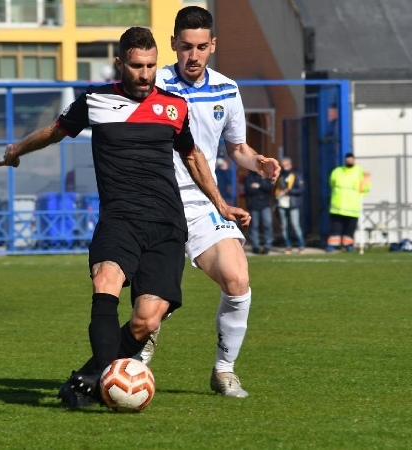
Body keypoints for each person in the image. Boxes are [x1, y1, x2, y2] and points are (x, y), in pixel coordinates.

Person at [0, 26, 250, 409]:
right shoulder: (95, 101)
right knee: (105, 282)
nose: (145, 74)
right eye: (135, 66)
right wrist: (17, 149)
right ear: (120, 64)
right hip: (120, 219)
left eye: (149, 66)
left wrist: (220, 204)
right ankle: (96, 386)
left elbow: (193, 157)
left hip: (166, 223)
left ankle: (87, 377)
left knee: (147, 321)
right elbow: (54, 132)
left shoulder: (173, 107)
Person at [147, 6, 280, 398]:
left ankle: (224, 370)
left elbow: (236, 148)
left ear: (213, 46)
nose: (194, 55)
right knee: (154, 303)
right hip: (159, 203)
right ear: (173, 44)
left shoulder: (227, 89)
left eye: (202, 47)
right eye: (186, 46)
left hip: (206, 202)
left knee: (238, 281)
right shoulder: (153, 85)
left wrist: (259, 163)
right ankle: (136, 356)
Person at [327, 153, 371, 252]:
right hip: (338, 205)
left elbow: (366, 188)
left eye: (351, 160)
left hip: (352, 206)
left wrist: (366, 180)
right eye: (347, 160)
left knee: (350, 228)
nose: (349, 162)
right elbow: (332, 183)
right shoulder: (337, 171)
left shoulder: (360, 172)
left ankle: (348, 245)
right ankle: (333, 245)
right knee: (335, 228)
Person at [275, 157, 306, 253]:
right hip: (281, 202)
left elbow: (301, 189)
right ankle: (287, 245)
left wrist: (289, 191)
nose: (284, 168)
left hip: (293, 203)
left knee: (295, 225)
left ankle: (301, 245)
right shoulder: (280, 176)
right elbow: (275, 187)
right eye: (282, 166)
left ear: (290, 165)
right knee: (284, 225)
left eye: (286, 166)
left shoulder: (297, 174)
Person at [244, 169, 274, 254]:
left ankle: (267, 245)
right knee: (254, 226)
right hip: (253, 205)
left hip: (265, 205)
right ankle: (255, 246)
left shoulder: (266, 177)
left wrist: (258, 185)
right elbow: (249, 190)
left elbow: (268, 188)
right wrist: (260, 187)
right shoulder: (249, 177)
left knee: (267, 224)